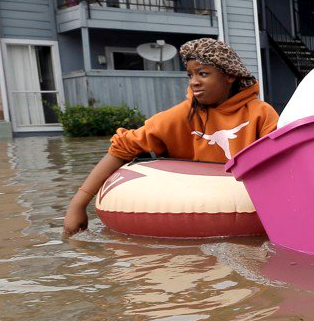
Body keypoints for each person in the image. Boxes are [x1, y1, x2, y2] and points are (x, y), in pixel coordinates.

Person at [64, 38, 279, 235]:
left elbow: (282, 162)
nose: (194, 82)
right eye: (190, 75)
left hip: (245, 206)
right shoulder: (182, 115)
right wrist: (78, 204)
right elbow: (122, 148)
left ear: (230, 75)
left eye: (203, 74)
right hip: (190, 205)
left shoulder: (260, 113)